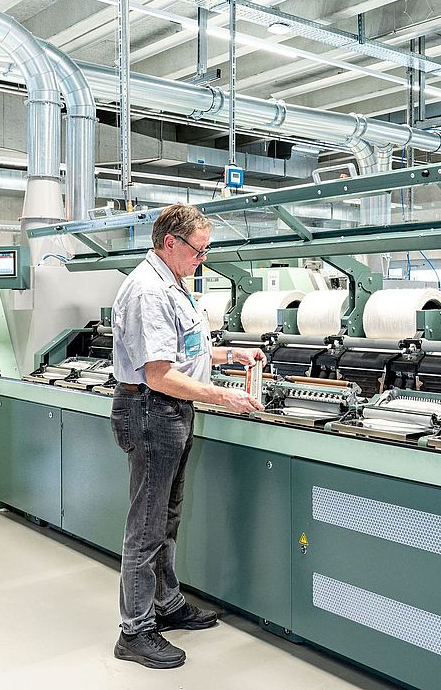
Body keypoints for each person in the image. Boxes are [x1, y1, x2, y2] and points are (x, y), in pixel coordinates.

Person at [109, 203, 265, 669]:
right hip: (152, 410)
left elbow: (184, 352)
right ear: (170, 243)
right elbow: (158, 375)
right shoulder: (147, 291)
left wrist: (228, 354)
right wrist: (223, 397)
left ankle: (166, 604)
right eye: (200, 250)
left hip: (171, 410)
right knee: (146, 526)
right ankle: (134, 631)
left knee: (167, 518)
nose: (204, 258)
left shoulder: (173, 284)